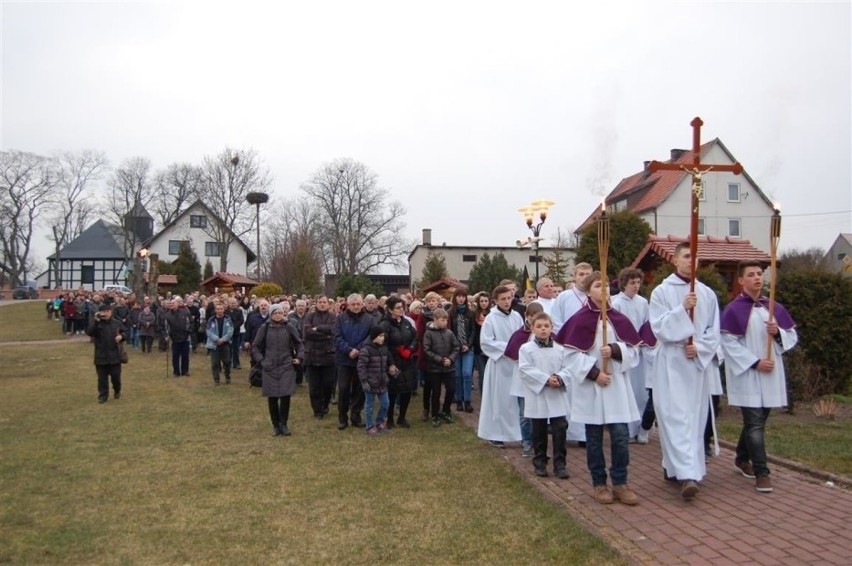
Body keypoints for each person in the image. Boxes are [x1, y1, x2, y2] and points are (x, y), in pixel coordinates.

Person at [561, 272, 642, 505]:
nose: (604, 288)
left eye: (606, 284)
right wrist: (595, 374)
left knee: (620, 436)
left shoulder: (618, 318)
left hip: (616, 386)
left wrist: (616, 351)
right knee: (594, 439)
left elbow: (634, 351)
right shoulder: (579, 319)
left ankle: (620, 482)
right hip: (593, 388)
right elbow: (569, 355)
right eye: (598, 285)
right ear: (588, 292)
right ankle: (599, 483)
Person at [649, 243, 720, 500]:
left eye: (695, 257)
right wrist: (681, 309)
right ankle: (687, 475)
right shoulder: (661, 292)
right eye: (686, 256)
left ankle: (677, 467)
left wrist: (699, 348)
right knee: (674, 417)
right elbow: (658, 327)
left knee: (694, 418)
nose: (691, 261)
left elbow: (714, 331)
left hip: (695, 364)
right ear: (675, 260)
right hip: (671, 361)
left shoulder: (708, 294)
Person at [721, 261, 798, 493]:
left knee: (758, 421)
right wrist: (754, 362)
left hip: (770, 373)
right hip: (748, 375)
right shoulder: (734, 310)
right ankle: (762, 472)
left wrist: (778, 333)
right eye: (751, 275)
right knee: (754, 422)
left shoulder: (773, 307)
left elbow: (792, 336)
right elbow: (728, 342)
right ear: (741, 281)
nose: (757, 278)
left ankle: (742, 457)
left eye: (759, 274)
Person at [518, 312, 572, 479]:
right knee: (539, 431)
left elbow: (568, 368)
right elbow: (525, 369)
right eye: (539, 326)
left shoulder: (560, 349)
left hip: (556, 393)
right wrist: (546, 379)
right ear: (532, 328)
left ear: (552, 328)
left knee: (560, 429)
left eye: (546, 326)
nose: (543, 329)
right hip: (538, 393)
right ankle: (540, 463)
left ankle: (560, 464)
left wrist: (560, 378)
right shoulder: (526, 349)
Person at [477, 285, 524, 447]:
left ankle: (518, 432)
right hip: (499, 364)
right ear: (495, 301)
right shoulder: (491, 318)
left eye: (509, 298)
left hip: (515, 364)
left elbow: (522, 336)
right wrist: (509, 348)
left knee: (514, 401)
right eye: (502, 299)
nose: (506, 301)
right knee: (498, 401)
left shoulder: (517, 316)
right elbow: (486, 342)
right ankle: (495, 433)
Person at [610, 268, 651, 442]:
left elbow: (648, 324)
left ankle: (639, 428)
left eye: (638, 282)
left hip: (640, 351)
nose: (636, 286)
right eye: (632, 282)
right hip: (624, 351)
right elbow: (615, 327)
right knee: (626, 390)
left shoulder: (643, 302)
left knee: (640, 392)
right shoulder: (616, 302)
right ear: (624, 284)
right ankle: (625, 429)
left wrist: (644, 340)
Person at [252, 304, 304, 436]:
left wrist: (299, 357)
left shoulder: (289, 327)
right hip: (269, 366)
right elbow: (256, 346)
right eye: (275, 313)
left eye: (280, 313)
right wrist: (262, 361)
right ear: (271, 314)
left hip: (286, 365)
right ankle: (275, 425)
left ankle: (284, 424)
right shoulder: (264, 328)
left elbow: (299, 343)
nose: (277, 315)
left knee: (286, 396)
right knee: (273, 397)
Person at [504, 302, 544, 458]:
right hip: (523, 380)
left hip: (541, 379)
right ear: (527, 317)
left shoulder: (546, 333)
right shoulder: (519, 334)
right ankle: (527, 442)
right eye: (533, 318)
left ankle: (538, 443)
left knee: (539, 414)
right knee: (524, 414)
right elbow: (512, 354)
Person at [333, 293, 374, 430]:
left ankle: (356, 416)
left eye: (358, 304)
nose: (356, 307)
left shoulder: (369, 319)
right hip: (344, 359)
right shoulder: (340, 319)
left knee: (360, 388)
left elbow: (371, 336)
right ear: (348, 305)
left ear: (362, 304)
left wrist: (358, 349)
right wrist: (349, 350)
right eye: (353, 304)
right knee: (343, 388)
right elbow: (337, 337)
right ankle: (342, 418)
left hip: (362, 359)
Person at [380, 295, 418, 428]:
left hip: (407, 361)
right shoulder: (385, 324)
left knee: (407, 389)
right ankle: (389, 418)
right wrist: (390, 363)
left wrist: (410, 349)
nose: (401, 310)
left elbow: (415, 337)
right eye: (397, 308)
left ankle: (402, 417)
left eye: (402, 307)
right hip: (393, 361)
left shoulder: (406, 323)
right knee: (393, 391)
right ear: (390, 309)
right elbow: (383, 345)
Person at [423, 308, 460, 428]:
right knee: (436, 393)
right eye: (442, 320)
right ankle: (435, 414)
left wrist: (451, 359)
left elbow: (456, 347)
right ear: (435, 319)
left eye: (446, 320)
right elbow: (427, 350)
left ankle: (446, 410)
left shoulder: (449, 333)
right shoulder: (428, 333)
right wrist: (440, 360)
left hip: (449, 367)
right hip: (434, 368)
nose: (445, 322)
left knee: (451, 389)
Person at [303, 295, 337, 419]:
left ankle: (325, 403)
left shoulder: (333, 317)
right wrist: (325, 335)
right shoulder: (309, 316)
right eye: (320, 302)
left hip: (328, 356)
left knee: (328, 385)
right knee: (314, 387)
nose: (322, 304)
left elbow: (333, 331)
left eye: (324, 302)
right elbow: (307, 333)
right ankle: (317, 410)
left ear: (328, 304)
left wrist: (317, 328)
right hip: (312, 356)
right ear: (316, 303)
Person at [86, 304, 127, 403]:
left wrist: (121, 336)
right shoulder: (97, 323)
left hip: (115, 355)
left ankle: (117, 390)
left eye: (108, 311)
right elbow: (90, 332)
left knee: (116, 377)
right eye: (104, 312)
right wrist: (96, 321)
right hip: (101, 355)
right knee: (102, 379)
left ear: (111, 312)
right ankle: (103, 395)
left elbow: (125, 332)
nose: (106, 313)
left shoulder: (117, 323)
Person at [358, 327, 391, 436]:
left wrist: (390, 369)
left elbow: (386, 363)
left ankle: (380, 422)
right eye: (380, 336)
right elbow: (361, 367)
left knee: (386, 403)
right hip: (370, 383)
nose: (382, 338)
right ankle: (370, 426)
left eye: (383, 336)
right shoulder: (366, 350)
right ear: (374, 337)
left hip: (382, 381)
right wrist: (364, 381)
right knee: (369, 406)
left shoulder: (384, 349)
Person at [448, 289, 475, 413]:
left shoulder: (470, 313)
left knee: (467, 374)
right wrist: (457, 346)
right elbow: (449, 331)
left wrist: (468, 345)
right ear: (455, 298)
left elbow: (473, 331)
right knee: (457, 375)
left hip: (468, 348)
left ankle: (467, 400)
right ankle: (459, 399)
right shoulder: (450, 313)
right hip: (455, 348)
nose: (461, 299)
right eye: (458, 296)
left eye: (463, 296)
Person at [551, 262, 593, 334]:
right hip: (567, 339)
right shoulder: (563, 296)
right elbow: (555, 321)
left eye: (587, 274)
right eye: (581, 274)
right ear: (574, 277)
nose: (585, 277)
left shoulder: (596, 296)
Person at [206, 302, 234, 385]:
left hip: (225, 344)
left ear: (224, 310)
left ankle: (227, 377)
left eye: (221, 309)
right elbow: (208, 331)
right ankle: (216, 380)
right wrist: (216, 339)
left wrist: (223, 339)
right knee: (215, 363)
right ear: (215, 310)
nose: (220, 310)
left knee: (227, 362)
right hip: (214, 344)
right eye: (218, 309)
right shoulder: (211, 320)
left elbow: (230, 331)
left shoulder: (228, 319)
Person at [164, 297, 193, 377]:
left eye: (174, 303)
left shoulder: (185, 312)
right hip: (174, 339)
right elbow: (166, 327)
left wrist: (189, 332)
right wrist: (167, 336)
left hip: (185, 337)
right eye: (171, 304)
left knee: (185, 356)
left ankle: (185, 371)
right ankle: (176, 372)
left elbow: (190, 323)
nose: (172, 305)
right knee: (175, 356)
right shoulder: (167, 315)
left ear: (177, 304)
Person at [288, 299, 307, 384]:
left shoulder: (308, 317)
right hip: (294, 341)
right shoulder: (290, 316)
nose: (301, 308)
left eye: (302, 306)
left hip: (305, 341)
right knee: (294, 359)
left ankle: (300, 379)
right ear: (296, 307)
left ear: (305, 307)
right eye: (299, 306)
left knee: (302, 359)